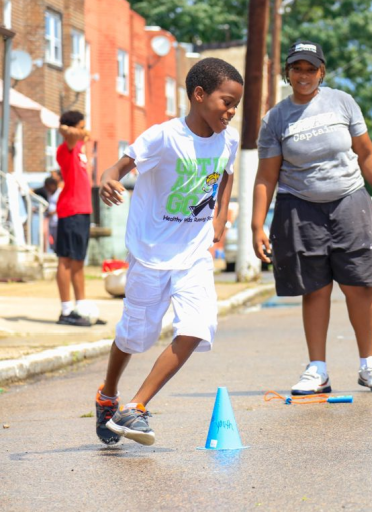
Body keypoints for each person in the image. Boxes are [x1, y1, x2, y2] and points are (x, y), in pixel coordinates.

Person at [93, 58, 243, 446]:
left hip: (193, 253)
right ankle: (108, 394)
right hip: (151, 253)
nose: (230, 112)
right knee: (135, 338)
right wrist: (107, 181)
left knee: (198, 325)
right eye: (226, 102)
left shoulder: (229, 138)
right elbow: (115, 169)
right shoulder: (163, 137)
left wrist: (221, 217)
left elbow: (226, 175)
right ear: (199, 95)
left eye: (235, 106)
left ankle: (136, 408)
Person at [253, 40, 372, 395]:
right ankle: (317, 369)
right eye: (297, 68)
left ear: (322, 72)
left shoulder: (342, 102)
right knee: (314, 289)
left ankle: (369, 364)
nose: (303, 75)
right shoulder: (275, 118)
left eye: (310, 69)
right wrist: (257, 224)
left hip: (349, 200)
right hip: (299, 207)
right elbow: (266, 176)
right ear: (288, 72)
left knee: (358, 285)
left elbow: (366, 153)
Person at [55, 111, 97, 326]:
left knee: (79, 260)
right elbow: (65, 130)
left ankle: (80, 307)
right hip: (69, 210)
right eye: (81, 125)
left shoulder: (79, 147)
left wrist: (82, 133)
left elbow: (76, 133)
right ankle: (65, 310)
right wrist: (81, 131)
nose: (84, 129)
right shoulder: (66, 147)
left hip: (83, 211)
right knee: (66, 260)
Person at [36, 177, 61, 252]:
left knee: (58, 241)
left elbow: (62, 206)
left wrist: (52, 213)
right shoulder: (50, 194)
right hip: (52, 222)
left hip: (58, 221)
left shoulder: (60, 193)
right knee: (52, 242)